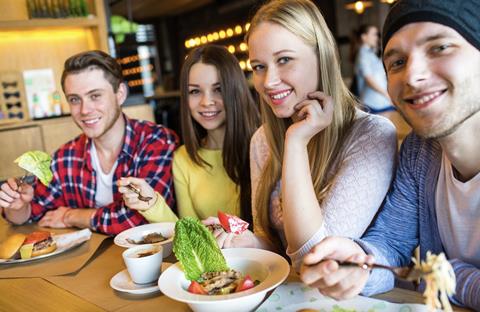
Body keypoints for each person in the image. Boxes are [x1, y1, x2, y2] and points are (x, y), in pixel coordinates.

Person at [299, 0, 480, 309]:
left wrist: (451, 273)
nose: (412, 75)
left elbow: (428, 274)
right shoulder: (420, 151)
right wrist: (359, 263)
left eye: (439, 48)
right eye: (397, 62)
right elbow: (393, 244)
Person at [213, 0, 396, 268]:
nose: (269, 81)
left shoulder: (372, 136)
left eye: (284, 60)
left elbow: (315, 258)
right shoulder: (262, 140)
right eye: (259, 66)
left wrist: (296, 143)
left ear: (323, 57)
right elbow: (275, 244)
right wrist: (249, 241)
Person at [0, 50, 178, 235]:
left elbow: (140, 220)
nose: (84, 110)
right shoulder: (65, 157)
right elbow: (28, 213)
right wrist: (17, 206)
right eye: (75, 99)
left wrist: (73, 216)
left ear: (120, 94)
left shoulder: (157, 141)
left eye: (95, 96)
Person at [118, 45, 260, 228]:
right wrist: (151, 203)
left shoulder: (263, 146)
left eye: (218, 89)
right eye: (195, 91)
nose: (206, 101)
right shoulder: (183, 158)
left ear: (236, 90)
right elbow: (191, 234)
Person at [351, 24, 395, 114]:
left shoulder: (369, 53)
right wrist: (387, 95)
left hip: (381, 101)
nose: (377, 37)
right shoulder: (363, 54)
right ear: (364, 37)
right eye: (374, 34)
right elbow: (369, 79)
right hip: (375, 103)